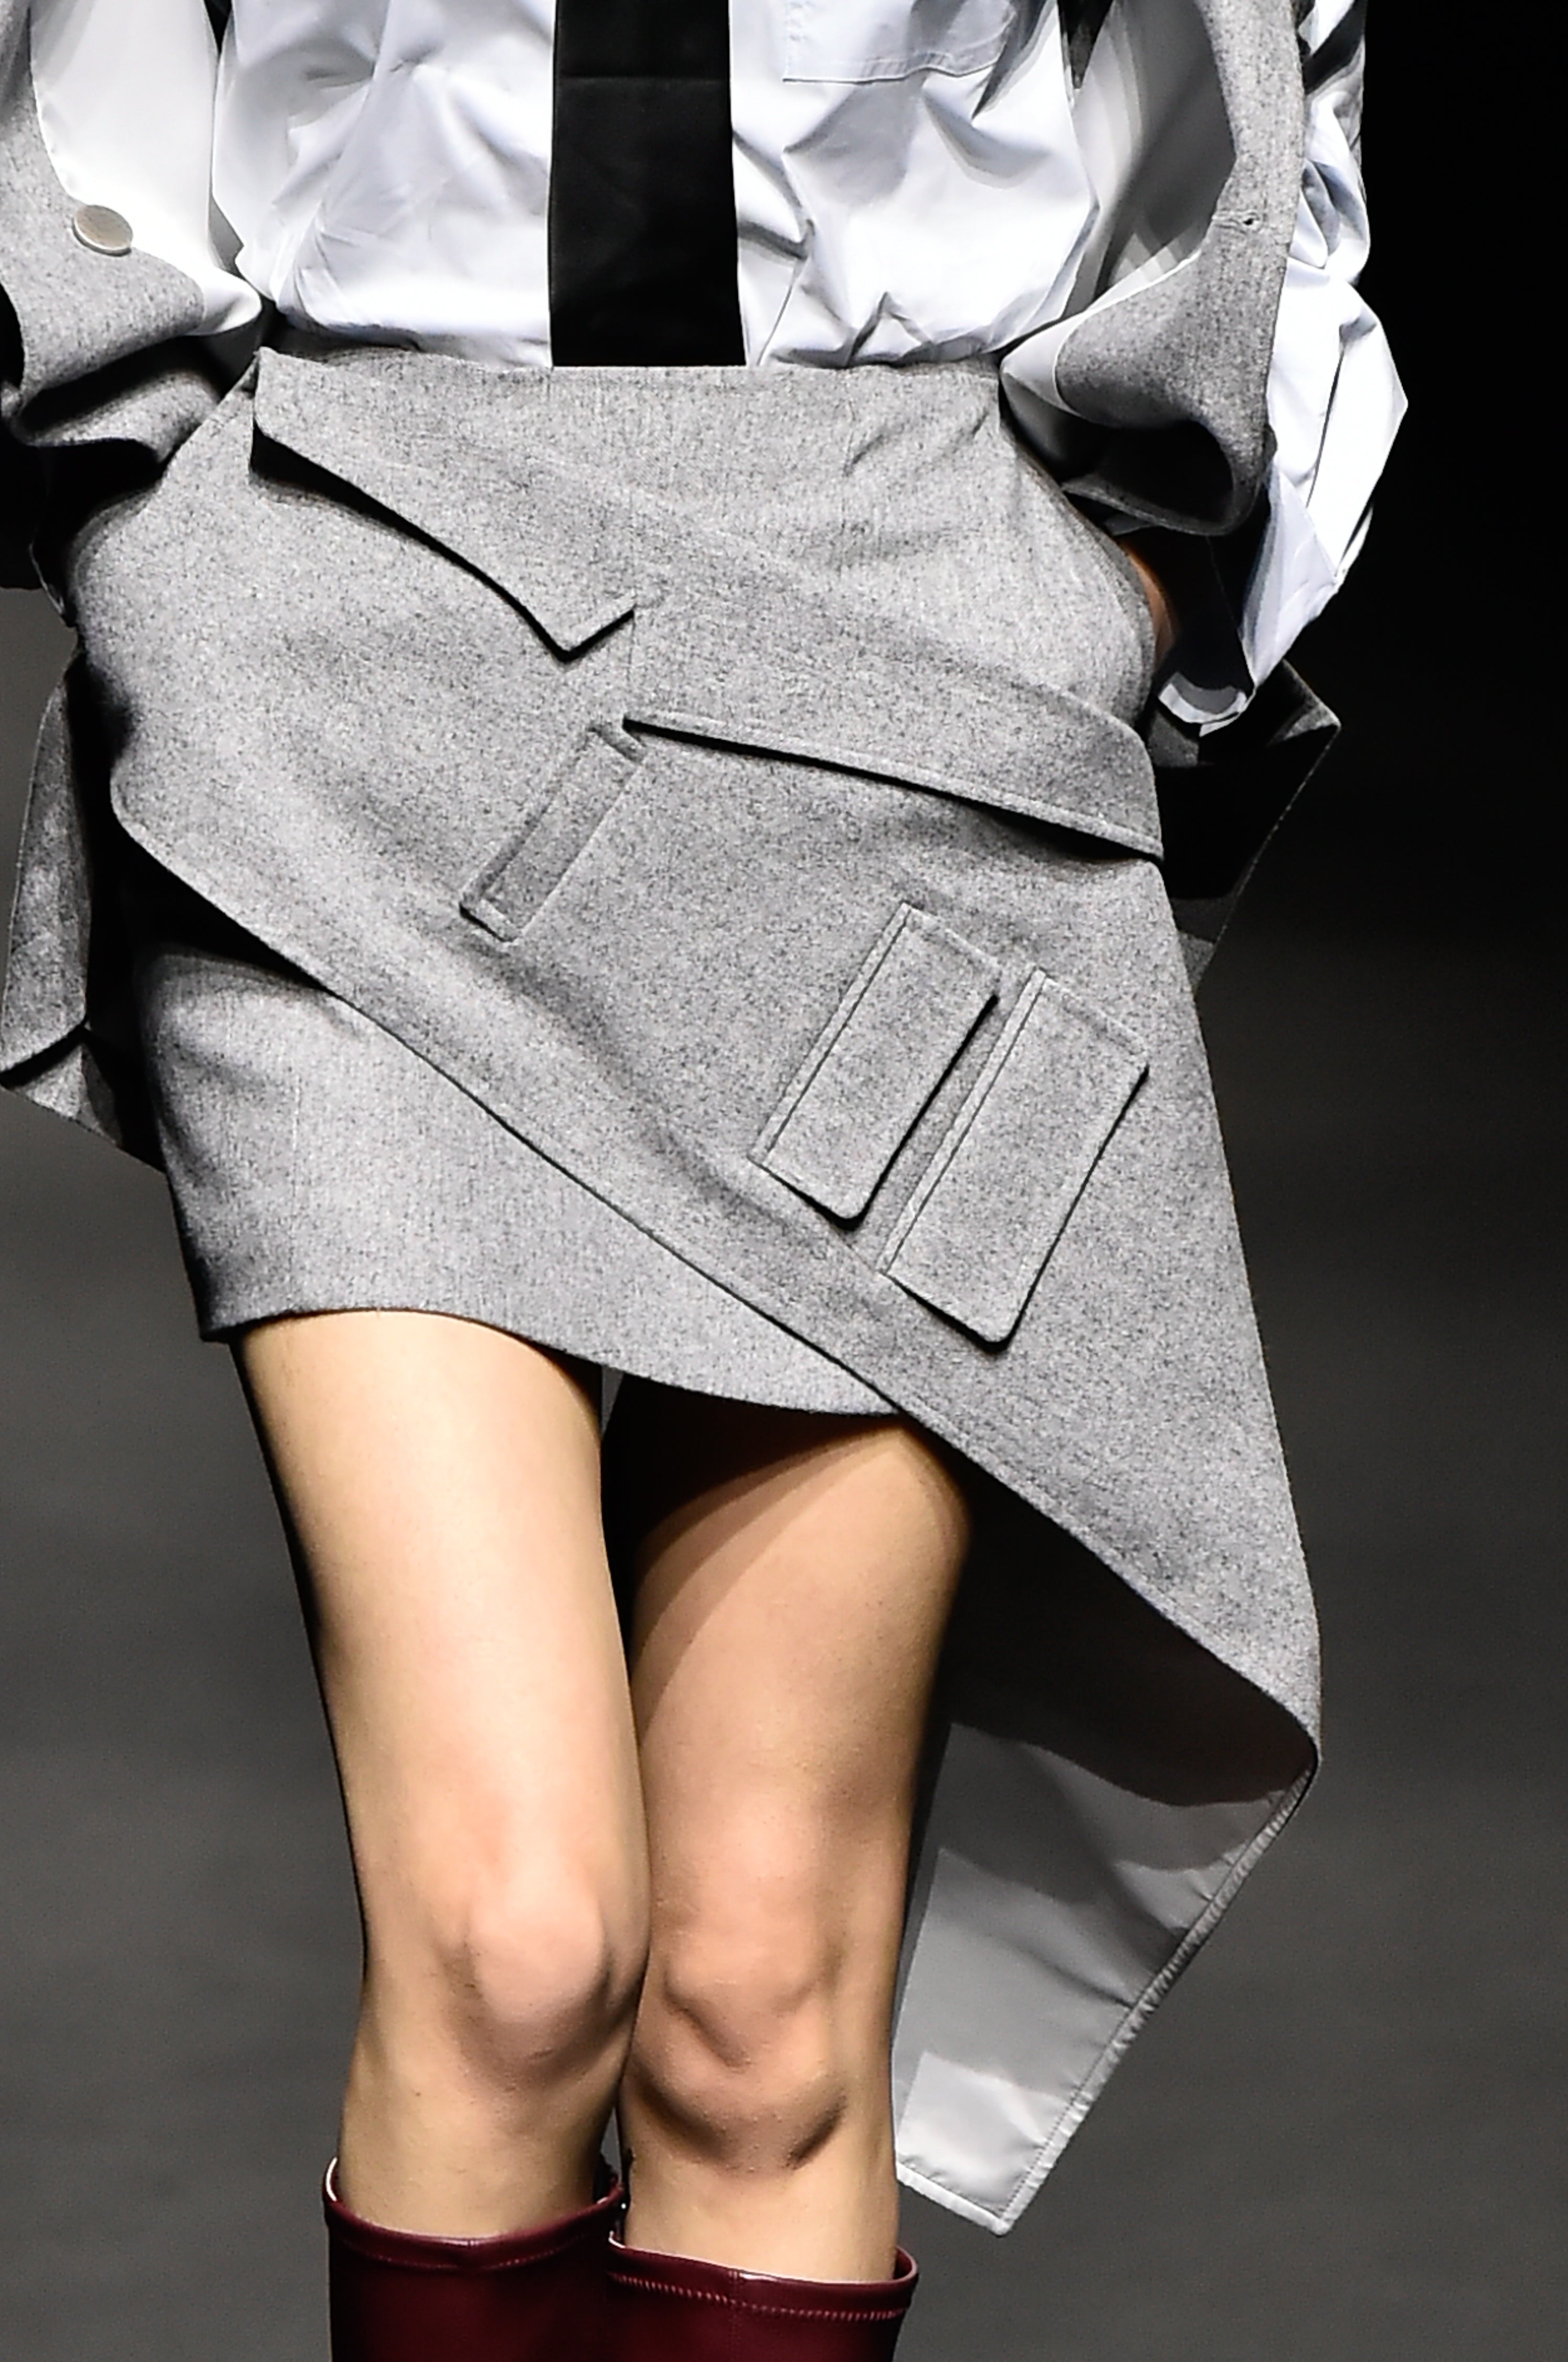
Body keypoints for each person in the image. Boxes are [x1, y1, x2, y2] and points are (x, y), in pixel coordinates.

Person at [0, 2, 1402, 2354]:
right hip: (344, 648)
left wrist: (1134, 581)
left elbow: (1268, 64)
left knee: (760, 2005)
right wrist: (137, 499)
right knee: (514, 1944)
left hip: (909, 682)